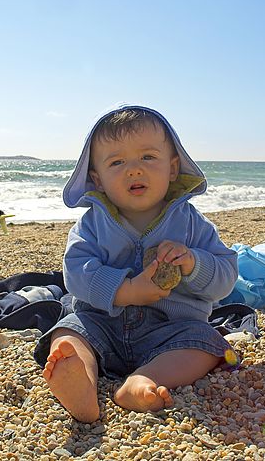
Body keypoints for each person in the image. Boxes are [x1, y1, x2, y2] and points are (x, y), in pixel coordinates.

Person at [34, 103, 238, 422]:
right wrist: (126, 290)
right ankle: (80, 380)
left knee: (206, 343)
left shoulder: (192, 224)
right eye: (117, 162)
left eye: (147, 157)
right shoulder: (92, 225)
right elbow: (75, 272)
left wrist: (193, 263)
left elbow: (226, 277)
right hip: (102, 324)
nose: (134, 169)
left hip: (171, 330)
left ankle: (145, 380)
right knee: (69, 332)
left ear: (172, 168)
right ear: (97, 179)